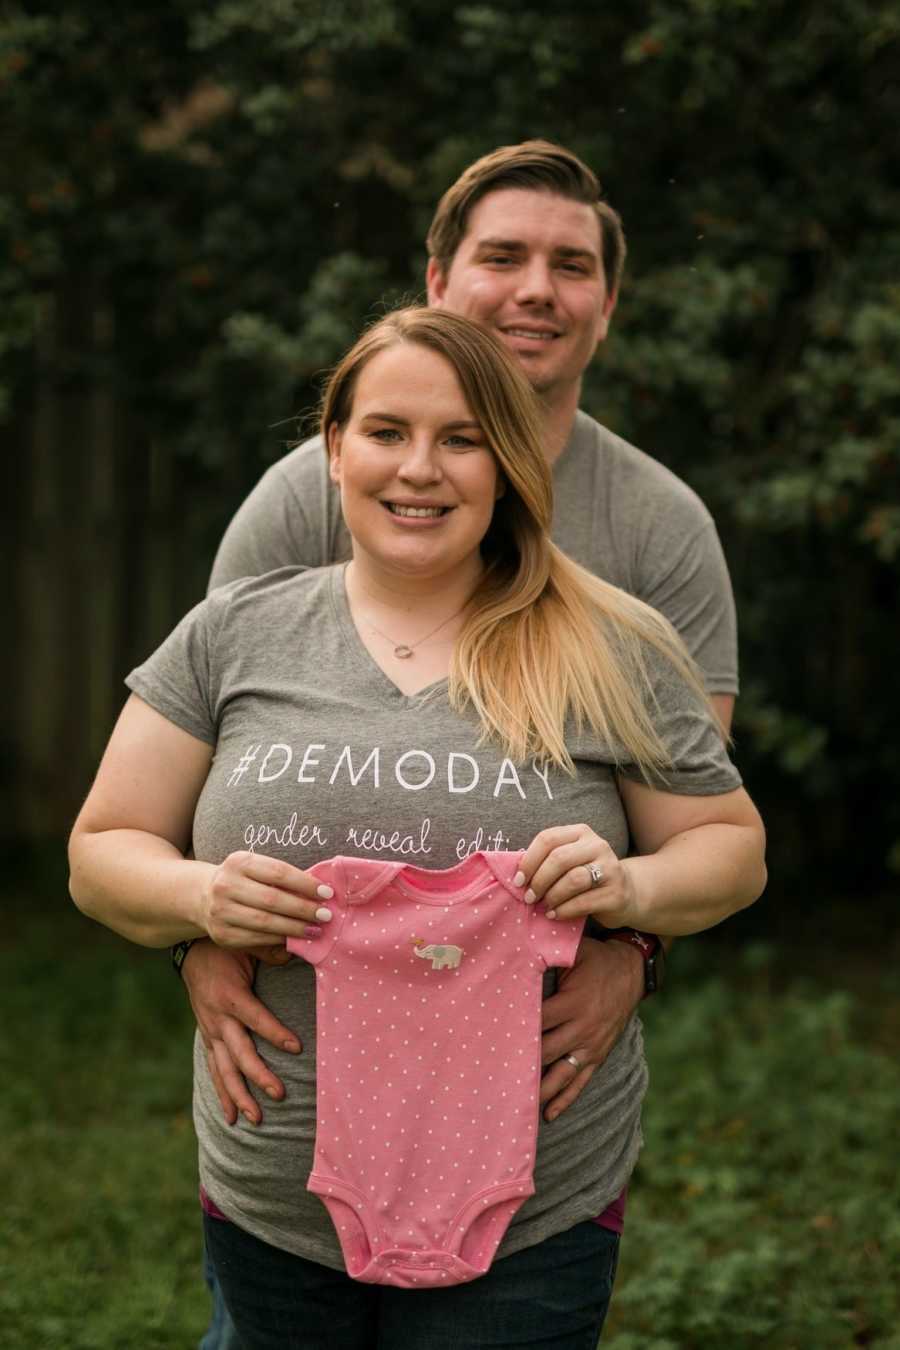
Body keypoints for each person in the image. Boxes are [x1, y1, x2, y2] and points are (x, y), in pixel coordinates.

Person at [70, 306, 765, 1348]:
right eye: (388, 431)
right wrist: (198, 897)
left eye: (463, 438)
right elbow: (100, 849)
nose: (421, 469)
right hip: (275, 1185)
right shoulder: (234, 631)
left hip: (532, 1199)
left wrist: (629, 889)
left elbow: (731, 847)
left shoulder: (610, 643)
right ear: (334, 448)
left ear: (510, 462)